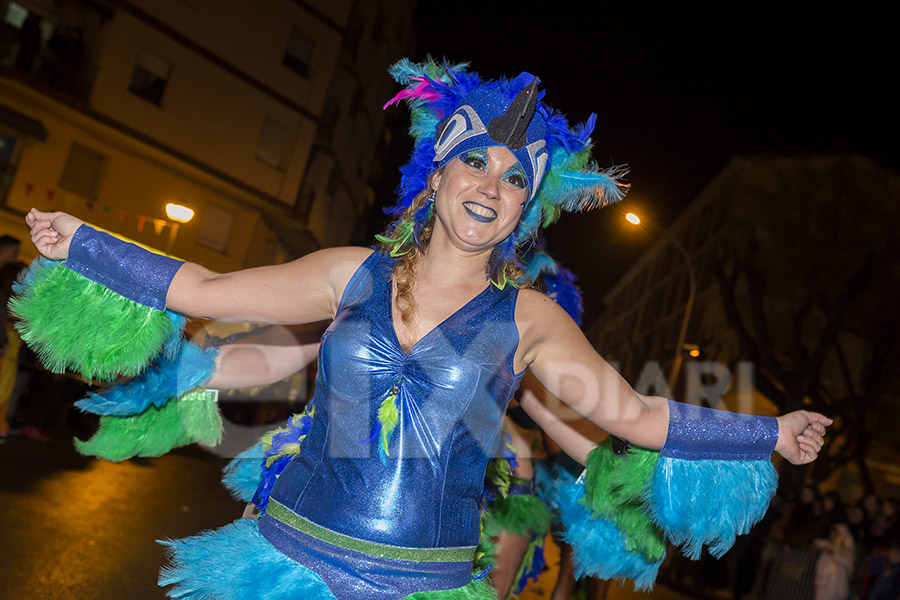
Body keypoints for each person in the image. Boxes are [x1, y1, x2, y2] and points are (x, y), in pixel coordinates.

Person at [23, 59, 831, 600]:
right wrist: (87, 244)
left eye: (516, 181)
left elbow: (634, 416)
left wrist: (763, 434)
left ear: (526, 210)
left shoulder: (534, 319)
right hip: (285, 557)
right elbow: (206, 285)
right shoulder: (350, 272)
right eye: (476, 162)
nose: (492, 185)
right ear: (438, 173)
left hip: (424, 579)